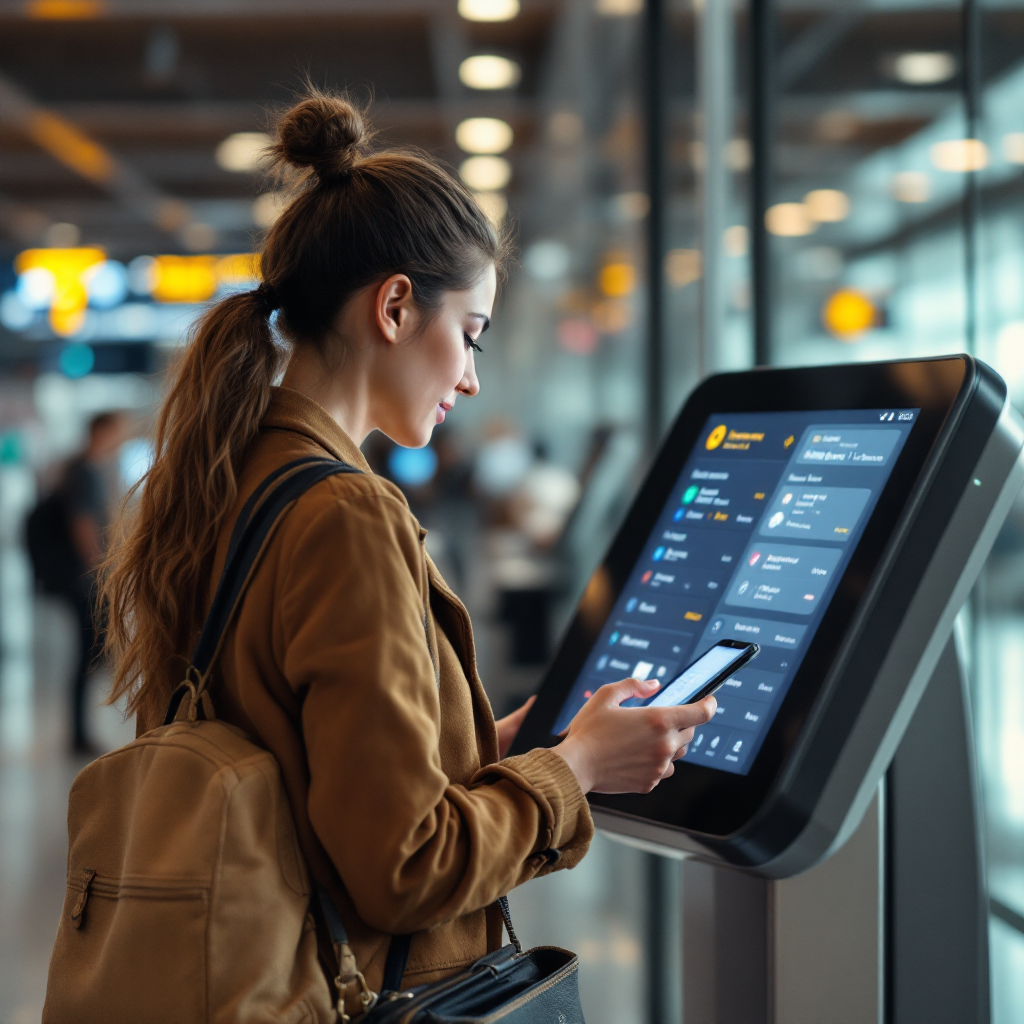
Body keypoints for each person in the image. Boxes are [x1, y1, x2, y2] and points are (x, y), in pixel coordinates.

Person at [99, 91, 716, 1000]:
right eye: (469, 336)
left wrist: (487, 749)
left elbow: (309, 772)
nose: (469, 378)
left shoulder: (235, 474)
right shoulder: (345, 513)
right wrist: (574, 768)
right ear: (394, 307)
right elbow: (403, 871)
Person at [29, 411, 128, 754]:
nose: (122, 437)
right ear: (101, 430)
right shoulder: (86, 471)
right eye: (118, 430)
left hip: (79, 576)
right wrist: (101, 569)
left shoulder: (88, 469)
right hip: (83, 578)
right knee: (90, 650)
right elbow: (83, 526)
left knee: (90, 651)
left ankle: (79, 732)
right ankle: (78, 734)